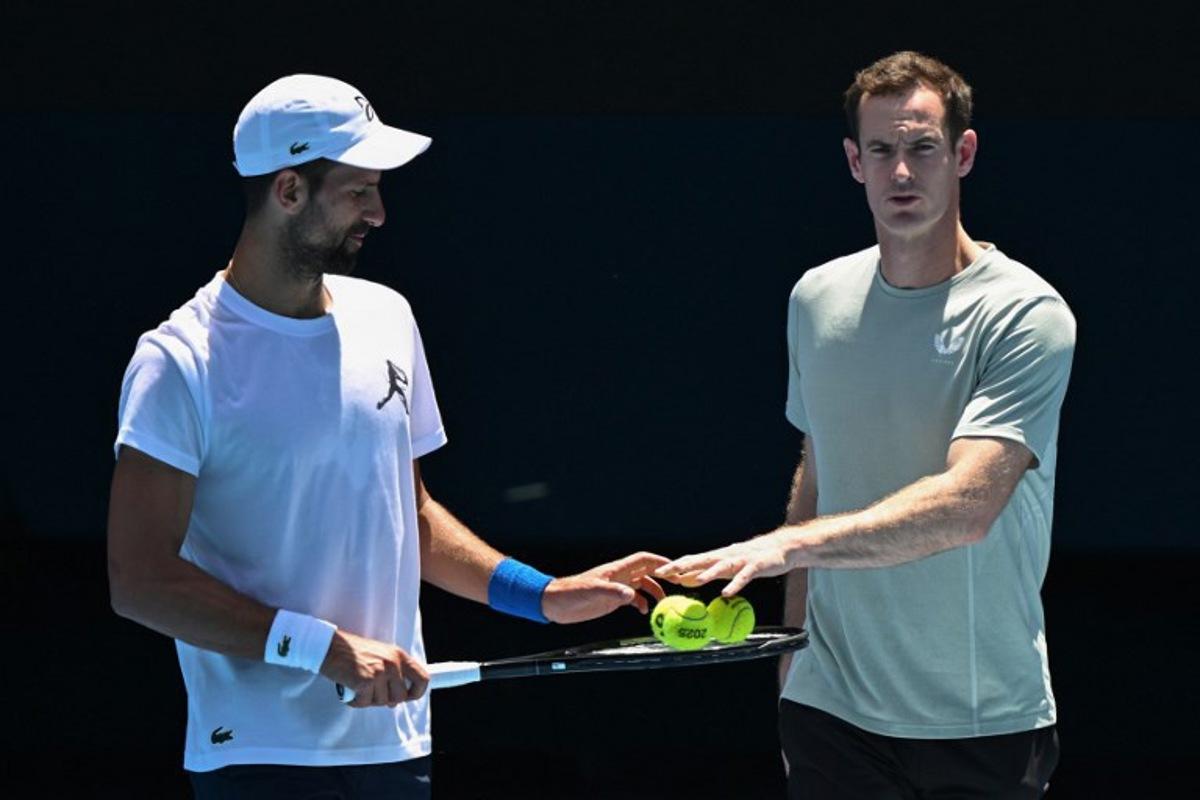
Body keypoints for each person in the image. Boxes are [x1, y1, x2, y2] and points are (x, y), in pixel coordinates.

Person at [107, 74, 667, 799]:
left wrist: (545, 595)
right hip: (259, 754)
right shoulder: (178, 361)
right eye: (357, 191)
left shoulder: (388, 317)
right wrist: (323, 650)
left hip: (395, 742)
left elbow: (409, 513)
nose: (378, 211)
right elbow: (141, 581)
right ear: (287, 191)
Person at [655, 51, 1074, 798]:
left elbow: (967, 506)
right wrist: (793, 663)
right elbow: (818, 474)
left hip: (980, 722)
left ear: (963, 154)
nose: (901, 173)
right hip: (831, 712)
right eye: (881, 151)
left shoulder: (1026, 313)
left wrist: (785, 547)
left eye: (922, 149)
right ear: (854, 161)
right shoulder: (816, 298)